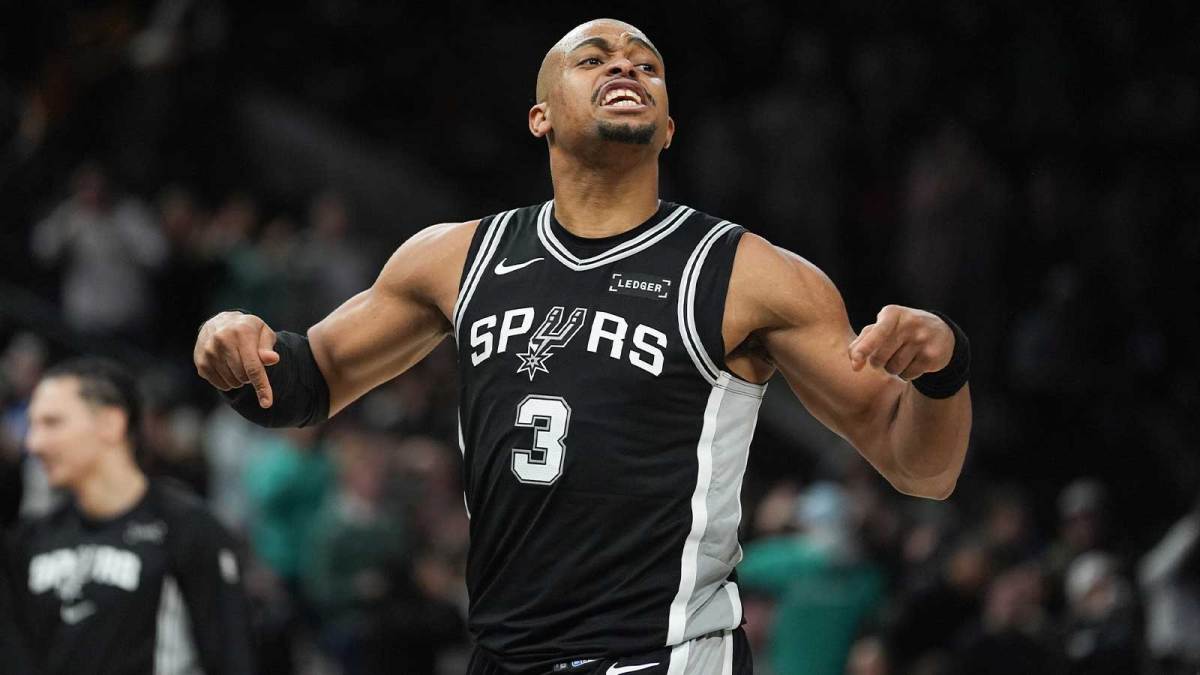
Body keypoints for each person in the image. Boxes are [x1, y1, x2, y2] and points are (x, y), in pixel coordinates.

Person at [194, 18, 972, 675]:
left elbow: (921, 468)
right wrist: (232, 346)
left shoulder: (747, 274)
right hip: (502, 653)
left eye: (647, 66)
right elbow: (300, 383)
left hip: (664, 654)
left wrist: (944, 370)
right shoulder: (455, 256)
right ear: (541, 115)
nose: (626, 66)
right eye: (594, 59)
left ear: (668, 127)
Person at [4, 357, 255, 674]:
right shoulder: (29, 541)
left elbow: (231, 657)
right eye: (33, 425)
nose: (34, 443)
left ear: (111, 423)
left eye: (52, 423)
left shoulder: (188, 528)